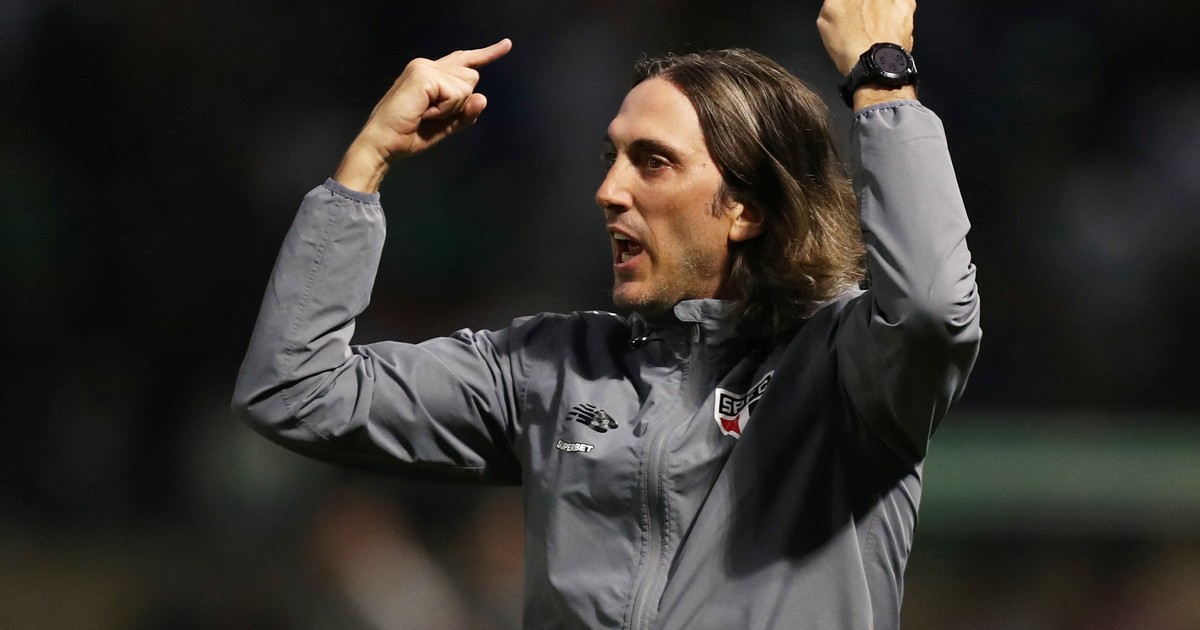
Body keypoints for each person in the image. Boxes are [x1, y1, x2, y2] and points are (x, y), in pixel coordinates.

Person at [232, 0, 981, 627]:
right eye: (612, 158)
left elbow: (931, 309)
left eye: (652, 161)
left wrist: (881, 81)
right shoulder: (550, 368)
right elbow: (295, 389)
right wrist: (367, 162)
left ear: (747, 207)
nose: (609, 190)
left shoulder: (848, 368)